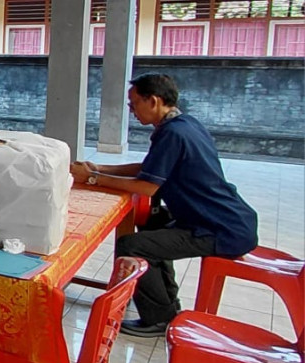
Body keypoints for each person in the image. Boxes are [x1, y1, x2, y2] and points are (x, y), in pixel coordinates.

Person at [71, 73, 258, 338]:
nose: (131, 110)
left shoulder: (173, 133)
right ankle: (168, 308)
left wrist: (92, 179)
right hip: (229, 219)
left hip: (219, 229)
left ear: (154, 101)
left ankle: (158, 319)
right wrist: (99, 168)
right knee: (152, 226)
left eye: (134, 103)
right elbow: (150, 168)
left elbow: (147, 186)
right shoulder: (185, 124)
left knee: (132, 245)